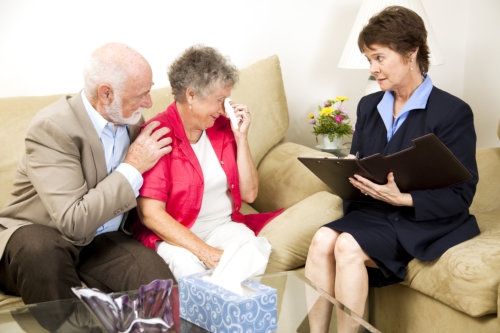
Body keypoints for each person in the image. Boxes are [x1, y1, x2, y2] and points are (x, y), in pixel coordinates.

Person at [305, 6, 479, 332]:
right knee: (321, 240)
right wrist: (345, 176)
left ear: (411, 52)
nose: (373, 69)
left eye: (379, 58)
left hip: (421, 219)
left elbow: (462, 194)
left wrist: (404, 200)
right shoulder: (369, 106)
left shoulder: (453, 112)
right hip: (373, 211)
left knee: (346, 245)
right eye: (369, 59)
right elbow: (362, 164)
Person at [0, 42, 175, 330]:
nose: (148, 103)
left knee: (154, 280)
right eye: (141, 94)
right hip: (41, 236)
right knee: (41, 252)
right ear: (106, 93)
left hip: (101, 239)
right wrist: (132, 167)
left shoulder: (130, 119)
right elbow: (72, 222)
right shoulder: (52, 128)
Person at [132, 45, 281, 279]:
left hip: (222, 227)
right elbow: (151, 214)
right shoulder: (158, 134)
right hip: (176, 235)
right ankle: (223, 299)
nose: (225, 109)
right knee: (189, 268)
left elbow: (250, 194)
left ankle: (224, 299)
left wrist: (241, 138)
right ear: (191, 95)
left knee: (253, 248)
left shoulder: (222, 127)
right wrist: (207, 253)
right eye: (219, 100)